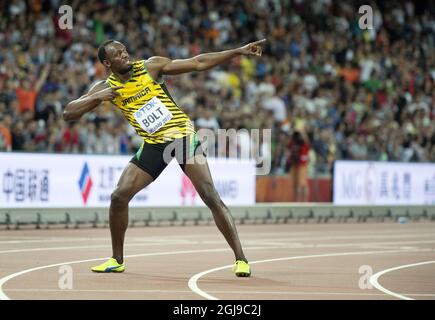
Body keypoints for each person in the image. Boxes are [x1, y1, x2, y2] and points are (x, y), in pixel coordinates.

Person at [63, 38, 267, 277]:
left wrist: (237, 52)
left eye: (125, 50)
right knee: (119, 196)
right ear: (107, 62)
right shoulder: (104, 87)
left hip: (182, 137)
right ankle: (116, 260)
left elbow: (198, 62)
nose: (125, 55)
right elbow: (69, 113)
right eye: (118, 54)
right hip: (155, 144)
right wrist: (98, 98)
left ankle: (241, 259)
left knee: (209, 194)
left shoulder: (150, 67)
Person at [287, 126, 310, 202]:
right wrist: (294, 132)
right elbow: (288, 145)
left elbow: (307, 141)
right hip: (294, 164)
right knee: (295, 184)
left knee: (302, 184)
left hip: (302, 165)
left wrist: (302, 132)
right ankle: (296, 201)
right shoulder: (293, 142)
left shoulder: (304, 143)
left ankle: (304, 201)